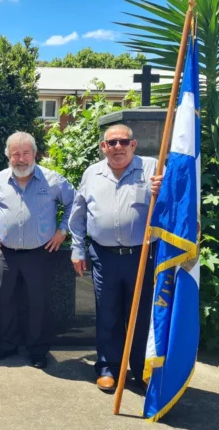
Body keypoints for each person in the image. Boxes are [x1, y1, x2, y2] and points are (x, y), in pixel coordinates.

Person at [68, 124, 163, 392]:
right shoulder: (92, 174)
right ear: (103, 147)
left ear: (134, 145)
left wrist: (163, 190)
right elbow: (78, 216)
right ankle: (108, 368)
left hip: (142, 255)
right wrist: (77, 249)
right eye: (111, 143)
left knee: (141, 314)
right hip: (104, 257)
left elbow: (172, 208)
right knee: (107, 313)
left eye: (123, 142)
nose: (117, 147)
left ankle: (141, 370)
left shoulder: (152, 170)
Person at [0, 131, 75, 368]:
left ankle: (38, 350)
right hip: (6, 254)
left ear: (34, 154)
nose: (20, 159)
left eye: (25, 153)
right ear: (8, 156)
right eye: (15, 154)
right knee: (5, 301)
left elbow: (75, 203)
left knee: (38, 302)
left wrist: (63, 231)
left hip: (39, 253)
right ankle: (7, 345)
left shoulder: (52, 180)